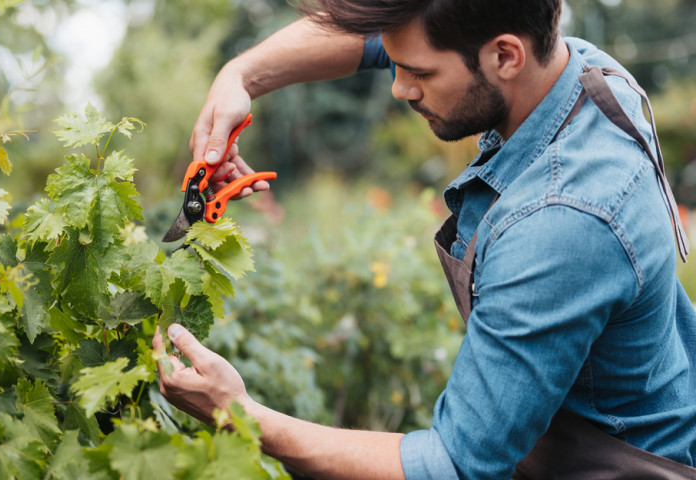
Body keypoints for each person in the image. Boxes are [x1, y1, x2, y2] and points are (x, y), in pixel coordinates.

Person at [152, 0, 696, 478]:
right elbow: (373, 38)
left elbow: (455, 467)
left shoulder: (561, 223)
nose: (398, 87)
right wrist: (240, 77)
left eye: (417, 72)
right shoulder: (570, 65)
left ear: (506, 57)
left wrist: (240, 413)